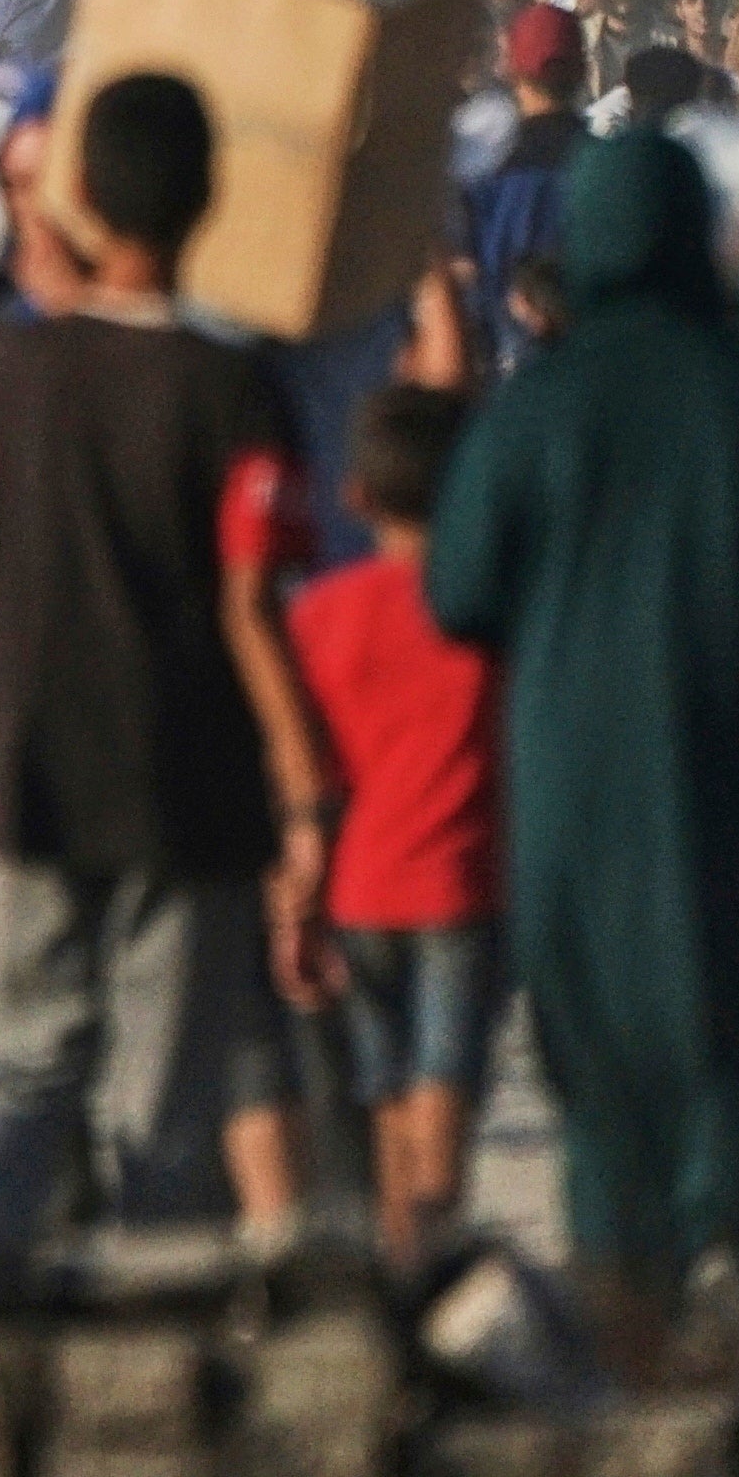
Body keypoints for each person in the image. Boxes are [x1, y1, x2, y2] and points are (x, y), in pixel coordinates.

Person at [431, 114, 739, 1344]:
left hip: (570, 796)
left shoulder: (538, 409)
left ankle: (629, 1316)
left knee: (600, 1080)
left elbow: (459, 588)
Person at [0, 72, 327, 1282]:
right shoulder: (232, 389)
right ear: (211, 200)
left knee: (21, 1066)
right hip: (184, 784)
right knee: (162, 1095)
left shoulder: (9, 373)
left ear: (79, 193)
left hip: (36, 765)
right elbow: (253, 605)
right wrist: (303, 793)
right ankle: (151, 1349)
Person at [286, 385, 505, 1269]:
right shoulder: (489, 612)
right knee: (445, 1077)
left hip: (357, 885)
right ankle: (436, 1242)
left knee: (383, 1089)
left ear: (356, 498)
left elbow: (307, 769)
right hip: (458, 881)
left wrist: (295, 892)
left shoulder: (319, 614)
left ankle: (399, 1250)